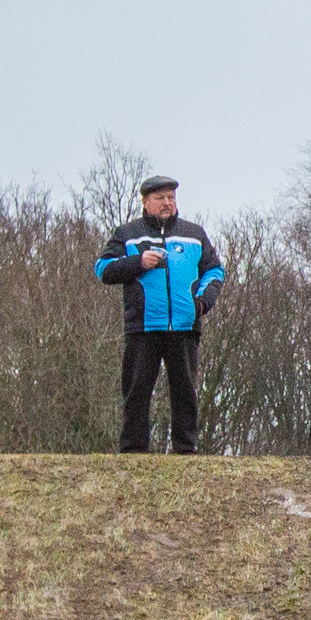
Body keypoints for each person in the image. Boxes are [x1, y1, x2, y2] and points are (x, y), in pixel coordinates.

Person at [94, 175, 224, 455]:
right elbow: (103, 269)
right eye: (160, 198)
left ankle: (186, 451)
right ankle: (133, 451)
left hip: (184, 326)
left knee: (185, 392)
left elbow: (214, 271)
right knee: (137, 391)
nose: (167, 203)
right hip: (143, 326)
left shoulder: (194, 233)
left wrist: (201, 303)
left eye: (171, 198)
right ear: (145, 202)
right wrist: (137, 263)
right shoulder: (127, 233)